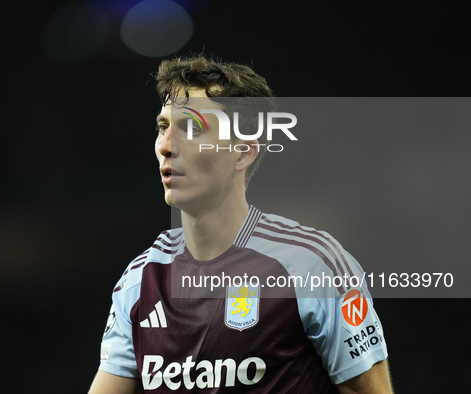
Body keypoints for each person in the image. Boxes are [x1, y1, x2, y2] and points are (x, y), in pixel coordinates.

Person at [89, 55, 393, 393]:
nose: (166, 146)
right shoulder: (140, 279)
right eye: (163, 127)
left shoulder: (312, 263)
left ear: (244, 152)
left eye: (190, 128)